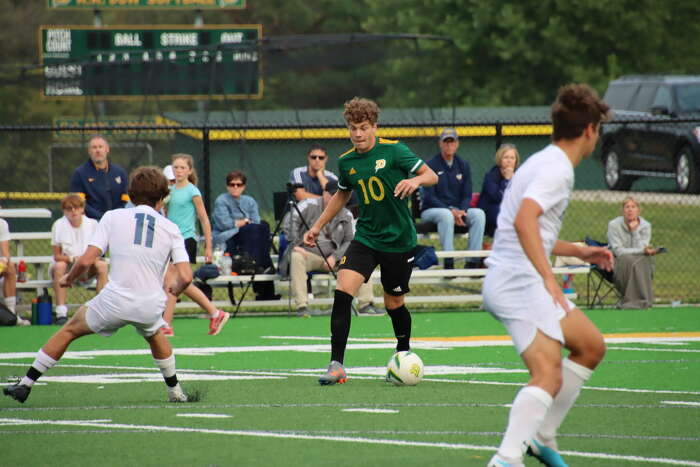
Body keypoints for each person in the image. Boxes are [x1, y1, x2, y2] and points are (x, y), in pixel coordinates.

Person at [483, 84, 613, 467]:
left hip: (517, 277)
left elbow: (529, 230)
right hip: (517, 281)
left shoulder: (544, 161)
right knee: (547, 373)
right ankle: (506, 459)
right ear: (589, 130)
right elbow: (524, 221)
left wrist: (577, 250)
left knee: (590, 346)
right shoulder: (556, 169)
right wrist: (549, 278)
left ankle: (540, 435)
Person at [3, 166, 193, 404]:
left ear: (131, 195)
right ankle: (175, 391)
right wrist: (175, 290)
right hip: (149, 303)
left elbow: (86, 259)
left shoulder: (113, 217)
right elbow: (186, 276)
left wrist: (69, 279)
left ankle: (26, 383)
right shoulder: (171, 228)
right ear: (163, 196)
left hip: (115, 299)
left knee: (70, 330)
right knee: (154, 334)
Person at [304, 97, 438, 385]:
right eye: (353, 128)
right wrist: (317, 225)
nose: (358, 134)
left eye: (364, 127)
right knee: (343, 289)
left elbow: (431, 175)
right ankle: (336, 364)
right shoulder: (347, 161)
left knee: (394, 302)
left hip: (399, 241)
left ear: (374, 126)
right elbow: (342, 194)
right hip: (366, 237)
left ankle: (403, 352)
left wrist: (415, 181)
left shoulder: (395, 151)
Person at [283, 179, 378, 317]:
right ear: (324, 193)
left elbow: (351, 241)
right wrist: (295, 245)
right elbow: (289, 223)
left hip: (336, 258)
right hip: (309, 254)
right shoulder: (308, 204)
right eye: (332, 194)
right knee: (296, 257)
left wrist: (335, 257)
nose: (335, 197)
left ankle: (366, 305)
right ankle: (302, 307)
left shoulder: (347, 214)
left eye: (338, 194)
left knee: (362, 259)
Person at [162, 154, 229, 336]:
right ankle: (215, 313)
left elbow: (204, 220)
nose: (179, 171)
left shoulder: (193, 191)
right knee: (177, 282)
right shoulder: (170, 191)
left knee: (173, 282)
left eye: (183, 167)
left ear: (189, 170)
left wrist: (208, 246)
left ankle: (166, 325)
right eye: (176, 167)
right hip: (170, 240)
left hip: (186, 240)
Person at [420, 128, 486, 268]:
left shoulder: (463, 165)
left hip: (458, 211)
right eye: (446, 142)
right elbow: (430, 197)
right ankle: (449, 262)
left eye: (452, 141)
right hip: (432, 211)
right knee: (446, 215)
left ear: (457, 144)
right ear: (440, 144)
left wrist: (462, 210)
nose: (449, 145)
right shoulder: (431, 164)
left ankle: (472, 262)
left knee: (479, 214)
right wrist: (451, 210)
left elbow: (467, 194)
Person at [212, 170, 278, 300]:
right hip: (228, 236)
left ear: (244, 186)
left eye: (239, 184)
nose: (235, 187)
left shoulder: (250, 201)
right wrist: (244, 222)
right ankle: (264, 271)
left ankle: (258, 267)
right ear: (227, 186)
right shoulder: (221, 200)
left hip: (250, 236)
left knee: (262, 226)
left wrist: (242, 223)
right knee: (256, 231)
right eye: (232, 184)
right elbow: (224, 224)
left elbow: (257, 221)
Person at [50, 194, 109, 325]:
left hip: (89, 267)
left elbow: (99, 253)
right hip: (68, 267)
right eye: (69, 209)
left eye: (76, 208)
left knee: (102, 266)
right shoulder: (58, 225)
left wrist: (84, 262)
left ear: (82, 209)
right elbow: (57, 255)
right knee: (59, 265)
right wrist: (72, 258)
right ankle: (61, 313)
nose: (73, 211)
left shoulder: (93, 224)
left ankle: (102, 311)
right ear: (64, 211)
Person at [606, 196, 660, 309]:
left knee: (645, 259)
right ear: (622, 210)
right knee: (629, 259)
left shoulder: (646, 226)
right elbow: (618, 251)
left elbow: (642, 248)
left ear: (638, 210)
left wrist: (634, 231)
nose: (630, 210)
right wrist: (642, 250)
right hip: (617, 261)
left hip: (639, 260)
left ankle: (642, 299)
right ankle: (633, 300)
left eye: (633, 207)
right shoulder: (613, 225)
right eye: (627, 207)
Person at [69, 134, 129, 220]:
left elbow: (125, 201)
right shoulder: (79, 173)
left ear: (107, 149)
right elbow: (79, 202)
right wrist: (101, 218)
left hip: (117, 221)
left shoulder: (120, 172)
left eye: (100, 147)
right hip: (92, 222)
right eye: (94, 147)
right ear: (89, 151)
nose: (97, 150)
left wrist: (115, 218)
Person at [478, 143, 520, 237]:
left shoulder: (519, 175)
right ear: (500, 159)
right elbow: (498, 197)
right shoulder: (491, 176)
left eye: (512, 158)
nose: (509, 161)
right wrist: (506, 180)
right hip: (490, 212)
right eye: (506, 157)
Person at [0, 217, 28, 326]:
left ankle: (11, 313)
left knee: (10, 267)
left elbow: (5, 253)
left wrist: (4, 261)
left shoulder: (2, 224)